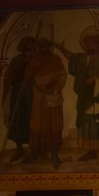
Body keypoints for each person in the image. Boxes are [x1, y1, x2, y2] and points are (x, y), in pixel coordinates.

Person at [57, 26, 99, 171]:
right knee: (87, 125)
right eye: (88, 44)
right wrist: (61, 48)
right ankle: (91, 151)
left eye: (93, 44)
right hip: (85, 97)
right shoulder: (83, 58)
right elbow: (72, 58)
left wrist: (96, 80)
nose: (90, 47)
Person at [23, 38, 67, 170]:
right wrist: (27, 77)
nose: (44, 48)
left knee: (54, 124)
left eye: (46, 46)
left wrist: (55, 87)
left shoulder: (55, 59)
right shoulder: (33, 61)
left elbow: (62, 75)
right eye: (41, 46)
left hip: (52, 95)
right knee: (37, 123)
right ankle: (35, 152)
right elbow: (27, 79)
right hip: (38, 97)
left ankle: (54, 154)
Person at [2, 36, 34, 163]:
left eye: (31, 48)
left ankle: (33, 150)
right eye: (27, 48)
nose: (29, 50)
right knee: (18, 119)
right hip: (18, 93)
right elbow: (9, 76)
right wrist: (18, 81)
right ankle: (19, 149)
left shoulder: (35, 60)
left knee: (31, 119)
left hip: (31, 93)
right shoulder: (17, 60)